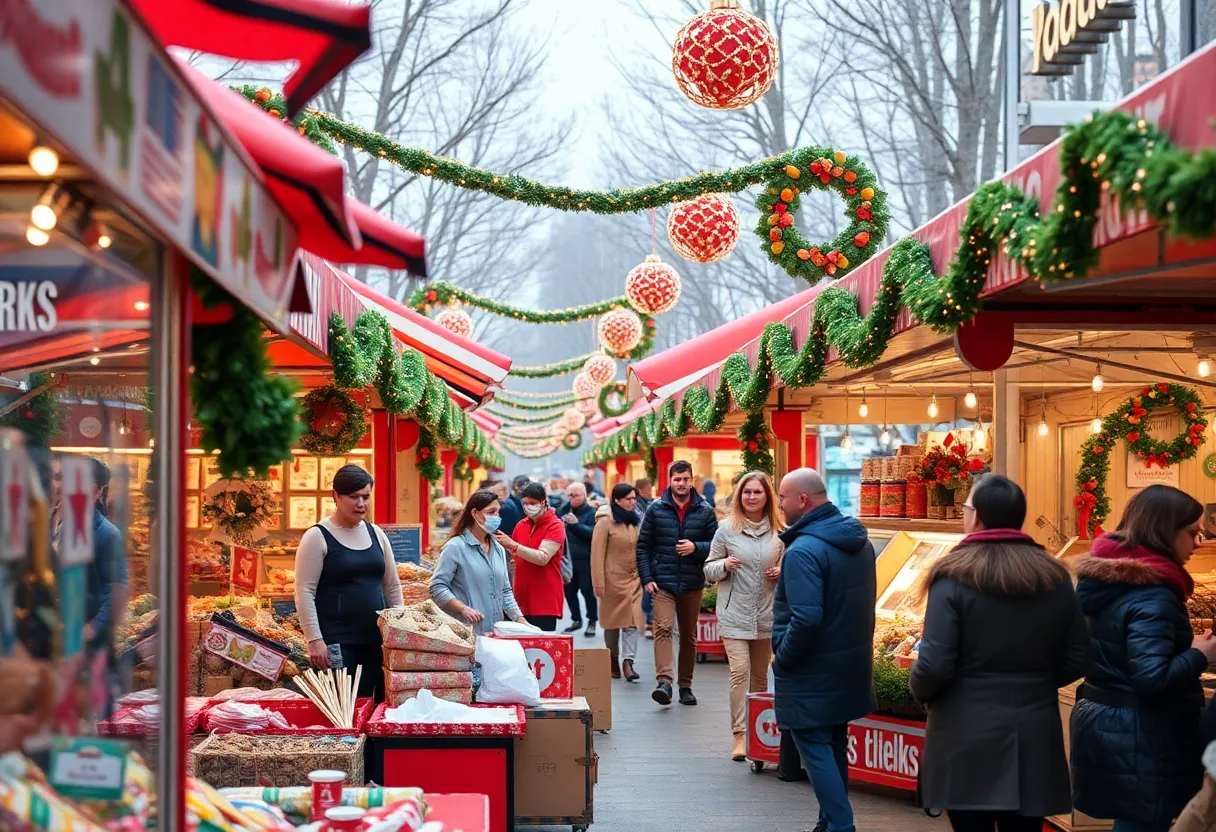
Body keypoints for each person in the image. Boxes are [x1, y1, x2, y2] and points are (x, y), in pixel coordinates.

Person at [910, 474, 1091, 832]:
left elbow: (933, 665)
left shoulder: (952, 576)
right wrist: (1036, 683)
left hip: (963, 732)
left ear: (975, 516)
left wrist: (921, 693)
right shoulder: (1055, 576)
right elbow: (1080, 655)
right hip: (1034, 730)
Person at [1071, 484, 1216, 832]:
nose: (1199, 543)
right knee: (1142, 824)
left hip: (1109, 722)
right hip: (1142, 734)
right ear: (1165, 532)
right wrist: (1199, 654)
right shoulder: (1154, 595)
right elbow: (1151, 677)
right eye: (1192, 533)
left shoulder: (1105, 579)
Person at [772, 467, 875, 832]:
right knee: (832, 744)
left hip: (811, 670)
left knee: (814, 747)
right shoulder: (859, 542)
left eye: (782, 497)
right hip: (847, 665)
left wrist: (782, 657)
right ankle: (828, 821)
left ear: (803, 500)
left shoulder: (803, 551)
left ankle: (841, 825)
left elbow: (806, 617)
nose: (779, 504)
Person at [296, 465, 404, 699]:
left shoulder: (376, 533)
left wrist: (401, 631)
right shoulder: (317, 536)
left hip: (377, 642)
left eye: (366, 497)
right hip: (337, 643)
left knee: (375, 705)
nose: (361, 504)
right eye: (353, 497)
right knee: (344, 706)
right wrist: (314, 640)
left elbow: (392, 586)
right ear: (335, 496)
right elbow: (304, 591)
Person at [703, 471, 784, 760]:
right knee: (740, 672)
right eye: (747, 492)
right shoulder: (727, 529)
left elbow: (792, 565)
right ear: (739, 496)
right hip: (734, 614)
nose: (751, 497)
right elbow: (708, 569)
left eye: (757, 492)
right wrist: (724, 564)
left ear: (767, 497)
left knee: (761, 677)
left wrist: (781, 572)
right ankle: (739, 735)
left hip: (766, 614)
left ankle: (756, 733)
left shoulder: (780, 530)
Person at [637, 459, 718, 706]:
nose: (681, 484)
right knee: (662, 628)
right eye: (677, 479)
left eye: (685, 479)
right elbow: (643, 546)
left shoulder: (704, 510)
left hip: (692, 582)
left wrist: (696, 547)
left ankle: (685, 685)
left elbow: (717, 546)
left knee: (688, 635)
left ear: (691, 480)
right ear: (669, 481)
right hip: (662, 582)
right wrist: (647, 578)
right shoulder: (656, 509)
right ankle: (665, 682)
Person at [429, 489, 527, 637]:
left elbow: (505, 591)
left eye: (498, 512)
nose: (496, 517)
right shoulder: (455, 547)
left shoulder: (498, 549)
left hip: (494, 634)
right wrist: (463, 608)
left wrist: (520, 620)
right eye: (491, 512)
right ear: (474, 513)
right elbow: (437, 587)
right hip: (465, 635)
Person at [591, 483, 645, 682]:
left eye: (634, 498)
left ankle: (628, 662)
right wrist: (598, 581)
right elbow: (597, 554)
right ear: (617, 500)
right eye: (629, 499)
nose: (633, 502)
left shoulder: (636, 519)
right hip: (611, 580)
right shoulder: (605, 521)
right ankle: (612, 658)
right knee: (612, 623)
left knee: (632, 621)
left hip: (634, 579)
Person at [499, 482, 567, 632]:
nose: (528, 507)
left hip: (544, 597)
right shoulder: (521, 525)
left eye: (533, 503)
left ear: (544, 502)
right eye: (525, 503)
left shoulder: (555, 526)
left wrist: (514, 545)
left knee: (542, 646)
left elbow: (542, 557)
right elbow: (513, 558)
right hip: (520, 596)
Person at [83, 458, 128, 653]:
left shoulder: (107, 533)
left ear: (98, 490)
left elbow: (118, 587)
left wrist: (93, 628)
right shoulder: (62, 524)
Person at [558, 483, 598, 636]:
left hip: (585, 559)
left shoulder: (591, 512)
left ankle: (592, 621)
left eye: (576, 495)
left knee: (588, 592)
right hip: (567, 560)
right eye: (570, 495)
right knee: (569, 591)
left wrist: (577, 524)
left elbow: (594, 533)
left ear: (584, 496)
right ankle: (576, 619)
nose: (573, 499)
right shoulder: (563, 509)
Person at [634, 478, 656, 637]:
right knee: (646, 586)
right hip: (642, 551)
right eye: (648, 488)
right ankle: (648, 621)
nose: (651, 490)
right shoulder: (637, 507)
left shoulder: (653, 504)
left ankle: (650, 620)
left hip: (652, 550)